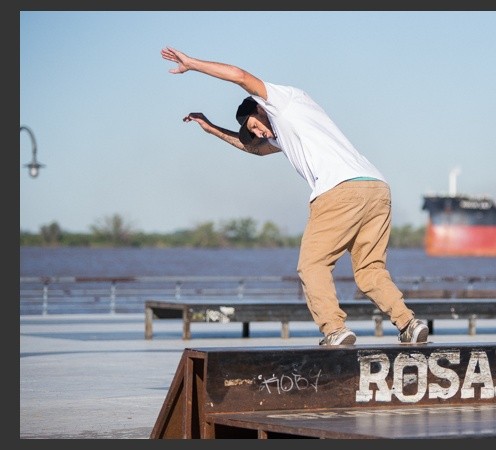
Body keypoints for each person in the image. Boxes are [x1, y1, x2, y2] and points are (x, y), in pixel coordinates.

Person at [161, 46, 428, 346]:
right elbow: (256, 150)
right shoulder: (296, 122)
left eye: (255, 126)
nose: (260, 134)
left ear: (259, 108)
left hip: (339, 190)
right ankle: (409, 323)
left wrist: (192, 64)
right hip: (376, 188)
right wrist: (212, 129)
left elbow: (239, 76)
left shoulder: (279, 101)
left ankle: (334, 329)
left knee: (312, 265)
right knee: (369, 270)